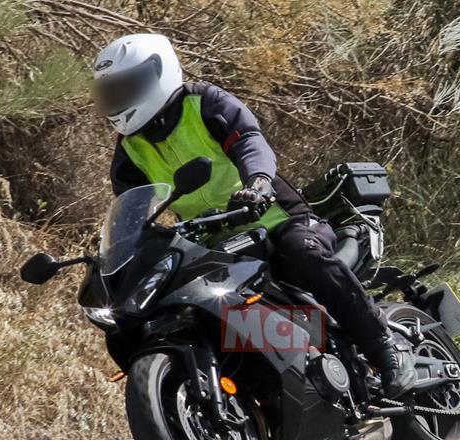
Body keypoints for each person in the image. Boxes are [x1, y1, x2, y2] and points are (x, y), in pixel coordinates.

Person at [92, 34, 417, 398]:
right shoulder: (129, 150)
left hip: (278, 219)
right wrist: (117, 252)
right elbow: (134, 211)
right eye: (111, 92)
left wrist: (259, 183)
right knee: (200, 309)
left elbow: (248, 140)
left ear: (159, 71)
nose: (120, 99)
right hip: (218, 244)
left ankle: (386, 349)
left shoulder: (204, 102)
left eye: (128, 87)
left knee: (304, 253)